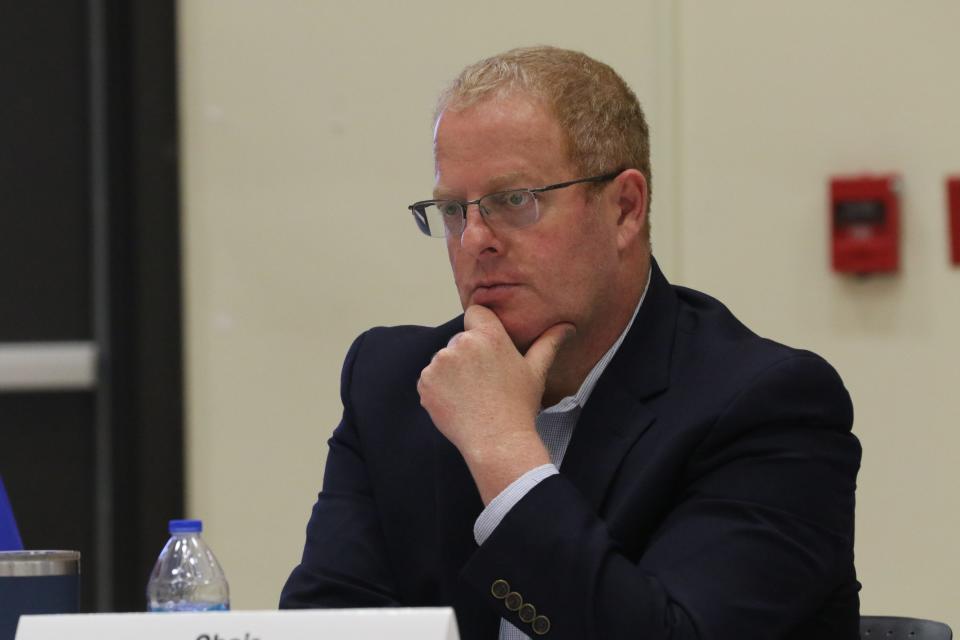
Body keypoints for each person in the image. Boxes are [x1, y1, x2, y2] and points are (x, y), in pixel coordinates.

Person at [280, 46, 861, 640]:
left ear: (625, 210)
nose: (474, 239)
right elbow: (329, 624)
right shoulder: (397, 381)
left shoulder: (766, 407)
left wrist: (503, 450)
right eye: (454, 209)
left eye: (514, 201)